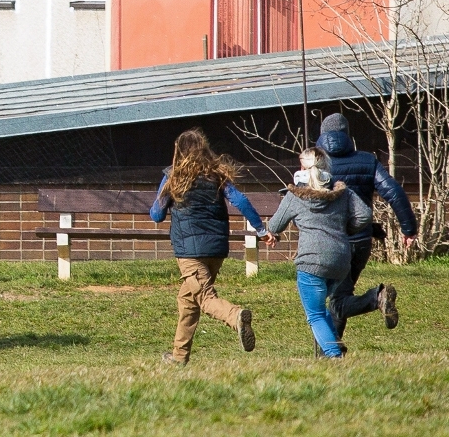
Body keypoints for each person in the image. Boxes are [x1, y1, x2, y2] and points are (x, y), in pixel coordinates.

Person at [150, 129, 277, 365]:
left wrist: (168, 198)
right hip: (216, 249)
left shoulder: (172, 177)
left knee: (206, 298)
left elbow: (156, 214)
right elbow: (241, 200)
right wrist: (261, 230)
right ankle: (179, 357)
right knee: (188, 301)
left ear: (178, 152)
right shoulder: (218, 176)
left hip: (189, 252)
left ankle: (235, 316)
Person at [316, 113, 418, 337]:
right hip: (361, 241)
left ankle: (376, 298)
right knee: (341, 296)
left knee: (336, 302)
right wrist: (409, 228)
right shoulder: (367, 160)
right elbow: (393, 192)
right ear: (347, 135)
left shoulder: (315, 164)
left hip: (330, 242)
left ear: (322, 136)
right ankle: (330, 353)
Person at [267, 148, 372, 358]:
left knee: (314, 314)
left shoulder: (295, 196)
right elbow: (365, 215)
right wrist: (345, 229)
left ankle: (334, 356)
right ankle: (334, 344)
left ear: (303, 170)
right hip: (340, 262)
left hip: (312, 262)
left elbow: (275, 225)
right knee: (321, 308)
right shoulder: (343, 193)